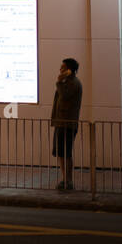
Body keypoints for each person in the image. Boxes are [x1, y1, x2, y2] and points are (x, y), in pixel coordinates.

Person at [51, 58, 83, 191]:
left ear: (69, 70)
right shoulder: (67, 82)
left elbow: (64, 96)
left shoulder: (73, 83)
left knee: (66, 153)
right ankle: (65, 179)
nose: (60, 70)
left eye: (63, 67)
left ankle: (68, 180)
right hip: (61, 122)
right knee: (60, 152)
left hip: (67, 123)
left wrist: (59, 81)